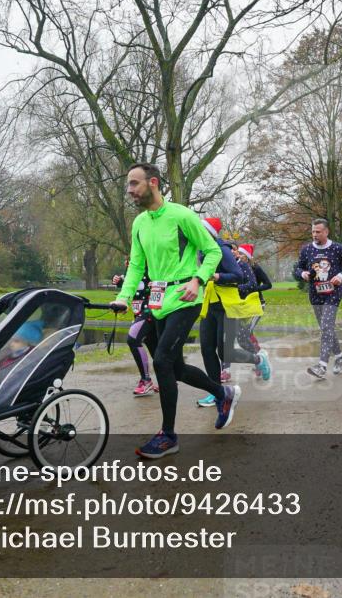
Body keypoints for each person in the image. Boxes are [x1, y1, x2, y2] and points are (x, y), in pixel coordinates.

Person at [110, 163, 240, 459]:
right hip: (157, 301)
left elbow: (214, 251)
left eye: (134, 184)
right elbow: (136, 266)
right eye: (128, 185)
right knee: (174, 367)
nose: (129, 190)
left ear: (153, 182)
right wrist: (124, 297)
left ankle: (168, 436)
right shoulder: (140, 223)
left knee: (162, 361)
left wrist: (198, 279)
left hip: (185, 296)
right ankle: (224, 394)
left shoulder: (181, 215)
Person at [195, 220, 271, 407]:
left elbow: (237, 275)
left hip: (228, 306)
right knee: (206, 348)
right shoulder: (201, 250)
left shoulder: (223, 250)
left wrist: (218, 277)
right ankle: (216, 392)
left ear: (209, 232)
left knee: (225, 352)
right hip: (211, 304)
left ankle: (258, 358)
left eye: (200, 229)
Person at [293, 218, 342, 378]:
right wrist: (302, 273)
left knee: (326, 327)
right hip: (315, 294)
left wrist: (340, 275)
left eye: (318, 232)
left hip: (333, 294)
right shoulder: (307, 250)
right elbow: (298, 268)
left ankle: (322, 365)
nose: (314, 234)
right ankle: (340, 357)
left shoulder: (337, 248)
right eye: (313, 231)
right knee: (326, 329)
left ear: (326, 232)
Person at [113, 261, 159, 397]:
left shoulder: (154, 257)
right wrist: (121, 281)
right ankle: (167, 379)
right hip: (138, 311)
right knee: (155, 347)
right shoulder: (133, 261)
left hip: (151, 310)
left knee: (133, 339)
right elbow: (134, 284)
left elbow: (165, 280)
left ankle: (146, 380)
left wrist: (159, 284)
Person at [236, 243, 272, 378]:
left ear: (247, 256)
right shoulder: (237, 267)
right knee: (244, 336)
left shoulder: (255, 268)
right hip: (244, 307)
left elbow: (268, 284)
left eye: (241, 254)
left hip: (257, 306)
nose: (238, 256)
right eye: (238, 253)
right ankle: (259, 358)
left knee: (245, 334)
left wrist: (253, 289)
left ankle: (260, 361)